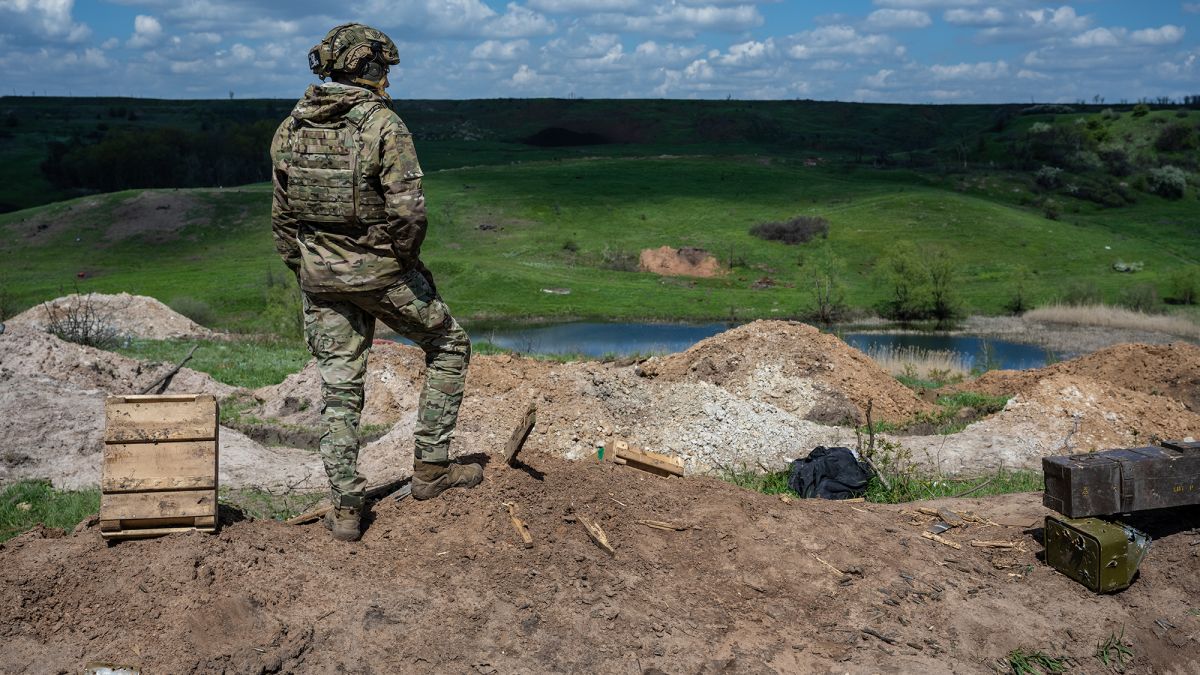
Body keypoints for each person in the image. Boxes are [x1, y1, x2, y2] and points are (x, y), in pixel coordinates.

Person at [270, 23, 482, 542]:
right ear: (367, 67)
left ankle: (345, 510)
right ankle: (431, 470)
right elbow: (409, 214)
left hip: (320, 277)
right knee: (450, 345)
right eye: (382, 67)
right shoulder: (384, 126)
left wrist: (310, 269)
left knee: (340, 386)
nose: (386, 77)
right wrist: (399, 264)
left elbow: (282, 219)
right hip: (382, 273)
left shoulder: (290, 128)